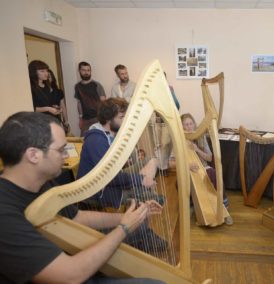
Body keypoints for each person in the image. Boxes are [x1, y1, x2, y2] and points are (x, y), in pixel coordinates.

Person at [0, 111, 163, 283]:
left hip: (65, 258)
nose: (67, 156)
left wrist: (129, 217)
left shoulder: (42, 182)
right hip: (68, 274)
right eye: (62, 150)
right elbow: (70, 276)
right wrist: (124, 228)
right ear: (33, 155)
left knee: (141, 229)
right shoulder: (4, 214)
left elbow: (77, 216)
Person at [77, 97, 166, 252]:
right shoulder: (97, 140)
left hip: (111, 180)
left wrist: (138, 174)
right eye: (121, 117)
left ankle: (144, 193)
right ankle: (143, 234)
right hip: (99, 190)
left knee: (151, 160)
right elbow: (109, 177)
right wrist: (139, 179)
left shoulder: (109, 133)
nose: (125, 121)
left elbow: (116, 168)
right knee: (150, 196)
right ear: (107, 118)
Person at [180, 113, 233, 225]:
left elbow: (209, 158)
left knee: (214, 174)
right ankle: (192, 205)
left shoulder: (201, 137)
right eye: (186, 124)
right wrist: (187, 166)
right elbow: (171, 162)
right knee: (180, 181)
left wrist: (197, 150)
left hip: (203, 167)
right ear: (182, 126)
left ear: (194, 125)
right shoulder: (179, 141)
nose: (189, 127)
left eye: (191, 123)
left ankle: (224, 208)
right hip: (188, 170)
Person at [75, 61, 106, 136]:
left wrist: (103, 119)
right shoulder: (77, 86)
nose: (86, 72)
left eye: (88, 70)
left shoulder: (96, 85)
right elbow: (79, 103)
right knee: (84, 140)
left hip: (97, 118)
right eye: (84, 70)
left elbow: (104, 102)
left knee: (98, 139)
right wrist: (80, 119)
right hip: (85, 120)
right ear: (79, 71)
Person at [48, 69, 70, 133]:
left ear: (52, 78)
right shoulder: (40, 92)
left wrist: (66, 122)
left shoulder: (58, 92)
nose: (47, 78)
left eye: (49, 76)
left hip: (57, 119)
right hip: (44, 121)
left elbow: (63, 107)